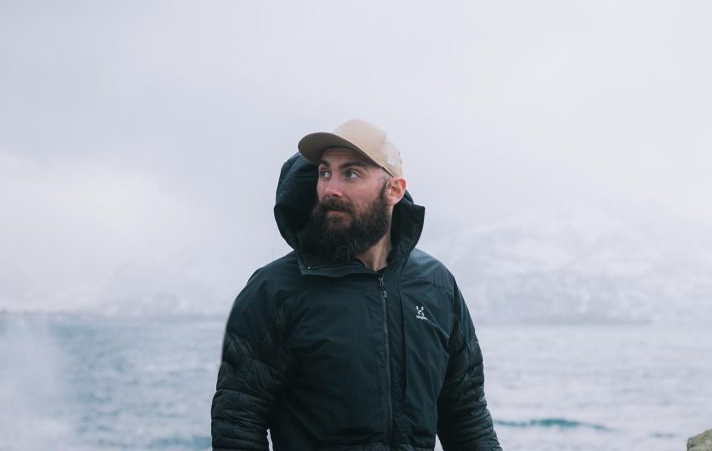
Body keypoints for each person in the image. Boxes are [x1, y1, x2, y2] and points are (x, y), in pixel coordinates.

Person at [211, 119, 503, 451]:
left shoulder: (436, 286)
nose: (329, 189)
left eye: (350, 174)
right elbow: (237, 422)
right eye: (324, 172)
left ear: (393, 190)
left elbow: (465, 414)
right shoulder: (276, 289)